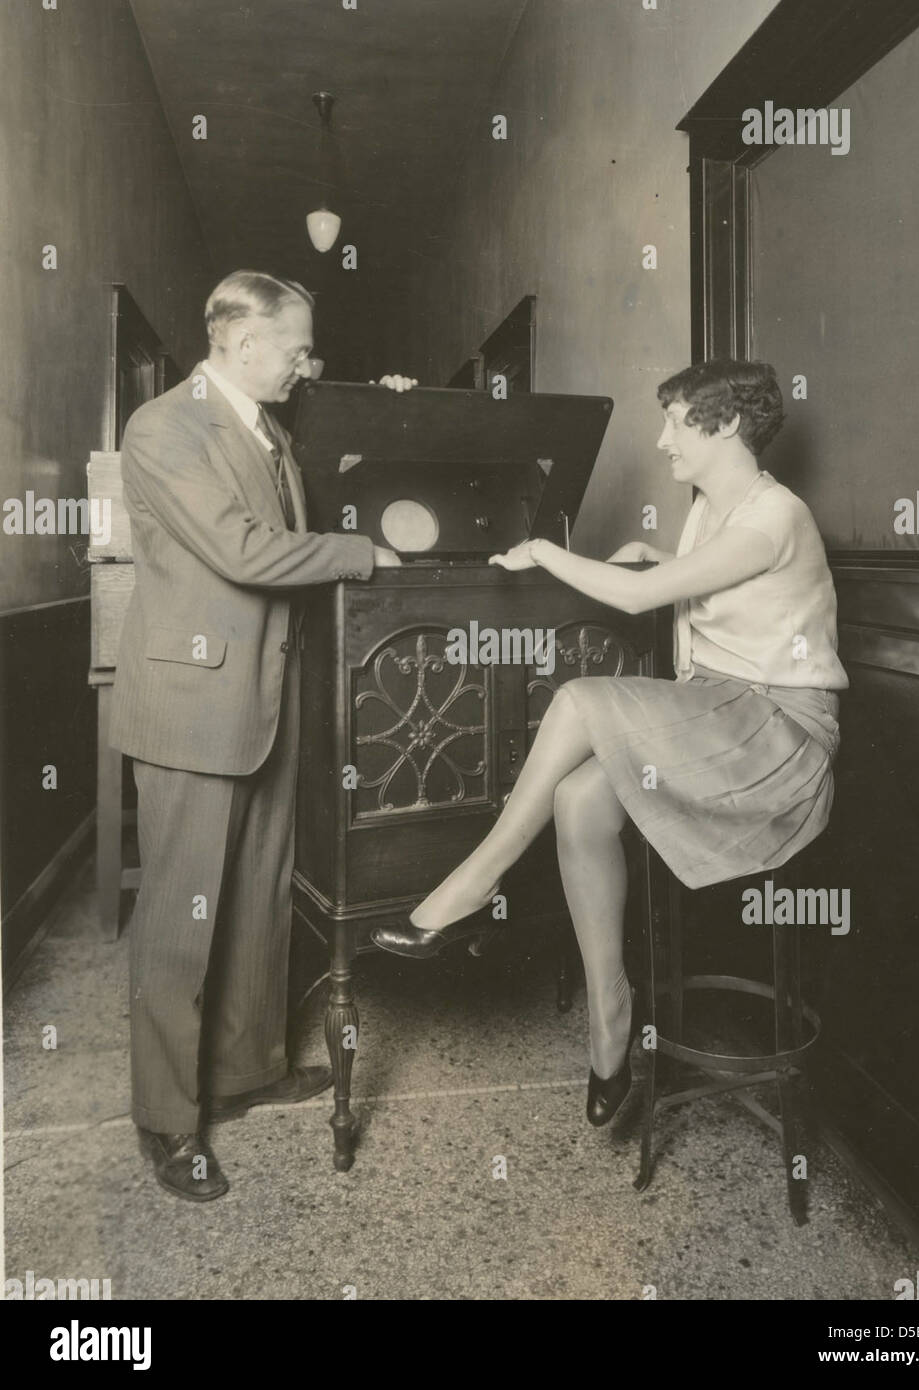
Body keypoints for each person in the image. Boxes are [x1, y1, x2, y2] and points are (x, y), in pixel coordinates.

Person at [372, 358, 847, 1129]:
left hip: (777, 739)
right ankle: (610, 1018)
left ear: (725, 424)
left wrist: (545, 552)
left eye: (675, 421)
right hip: (721, 713)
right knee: (577, 796)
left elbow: (639, 599)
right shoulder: (712, 509)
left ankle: (471, 885)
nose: (661, 441)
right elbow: (707, 584)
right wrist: (657, 560)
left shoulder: (775, 514)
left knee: (578, 699)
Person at [109, 269, 415, 1201]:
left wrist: (395, 412)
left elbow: (316, 484)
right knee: (178, 920)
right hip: (193, 703)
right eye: (296, 348)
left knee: (254, 899)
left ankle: (246, 1071)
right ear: (244, 346)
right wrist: (365, 552)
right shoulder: (164, 427)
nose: (305, 362)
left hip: (265, 696)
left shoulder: (269, 426)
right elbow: (243, 550)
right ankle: (167, 1119)